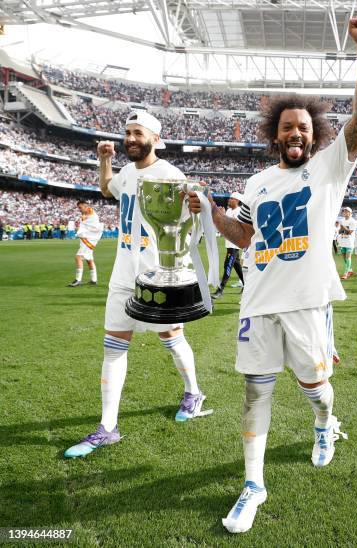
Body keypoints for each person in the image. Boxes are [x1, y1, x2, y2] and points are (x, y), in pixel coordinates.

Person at [188, 15, 357, 533]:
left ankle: (323, 424)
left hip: (306, 302)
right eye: (287, 127)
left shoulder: (330, 168)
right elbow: (244, 236)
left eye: (304, 127)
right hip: (257, 302)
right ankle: (254, 484)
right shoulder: (255, 182)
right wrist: (207, 209)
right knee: (256, 391)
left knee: (316, 388)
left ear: (315, 136)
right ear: (276, 135)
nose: (296, 133)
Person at [64, 111, 212, 459]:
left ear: (155, 139)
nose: (130, 138)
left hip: (157, 270)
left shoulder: (170, 175)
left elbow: (186, 225)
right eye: (127, 133)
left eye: (137, 133)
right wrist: (105, 161)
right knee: (114, 345)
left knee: (171, 338)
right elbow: (107, 189)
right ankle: (108, 427)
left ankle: (193, 393)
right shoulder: (128, 172)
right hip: (122, 271)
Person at [212, 192, 246, 299]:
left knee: (227, 265)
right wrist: (222, 216)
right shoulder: (229, 210)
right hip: (229, 243)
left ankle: (220, 290)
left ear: (237, 201)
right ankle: (246, 285)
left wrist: (223, 216)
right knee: (237, 266)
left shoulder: (239, 211)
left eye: (232, 198)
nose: (229, 200)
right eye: (230, 198)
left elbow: (236, 226)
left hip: (234, 243)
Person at [67, 201, 103, 287]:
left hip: (89, 239)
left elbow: (88, 217)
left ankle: (78, 280)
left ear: (86, 206)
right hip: (88, 239)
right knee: (89, 259)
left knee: (78, 257)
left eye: (80, 207)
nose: (79, 210)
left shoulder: (90, 212)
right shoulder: (87, 214)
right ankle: (94, 280)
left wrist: (83, 218)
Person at [338, 206, 356, 279]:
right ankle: (350, 270)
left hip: (349, 242)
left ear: (350, 213)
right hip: (342, 241)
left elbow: (350, 232)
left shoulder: (352, 221)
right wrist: (340, 228)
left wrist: (343, 226)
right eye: (344, 211)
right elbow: (340, 231)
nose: (344, 212)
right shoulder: (342, 220)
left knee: (348, 257)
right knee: (344, 257)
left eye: (346, 211)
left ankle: (346, 273)